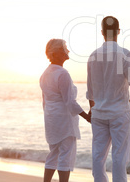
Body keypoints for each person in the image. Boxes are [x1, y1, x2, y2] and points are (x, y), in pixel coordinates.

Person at [87, 16, 130, 182]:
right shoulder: (124, 54)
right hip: (119, 114)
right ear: (118, 32)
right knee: (119, 157)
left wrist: (92, 111)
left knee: (97, 156)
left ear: (102, 32)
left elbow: (90, 90)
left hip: (99, 114)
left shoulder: (93, 56)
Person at [40, 39, 91, 182]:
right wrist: (87, 116)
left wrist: (50, 117)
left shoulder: (44, 74)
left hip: (51, 118)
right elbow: (70, 102)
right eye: (65, 49)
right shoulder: (62, 74)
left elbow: (44, 102)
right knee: (65, 155)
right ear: (57, 53)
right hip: (64, 120)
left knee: (53, 153)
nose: (68, 51)